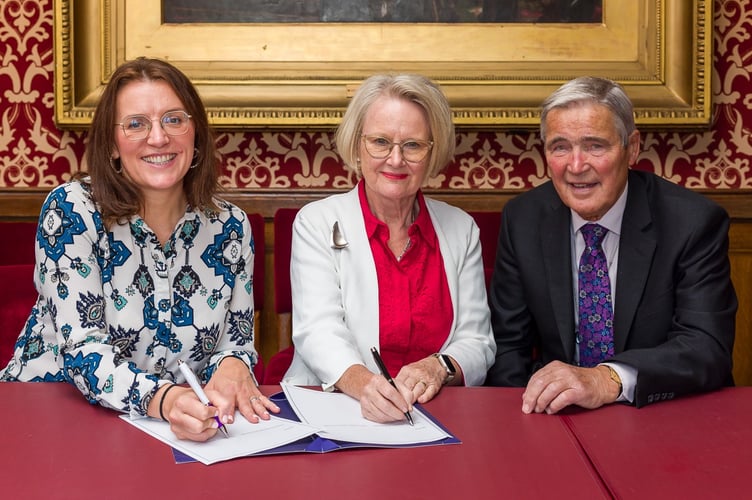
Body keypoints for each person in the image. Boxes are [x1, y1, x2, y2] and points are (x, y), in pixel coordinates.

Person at [0, 57, 278, 440]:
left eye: (174, 119)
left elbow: (238, 341)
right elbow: (83, 351)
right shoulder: (73, 211)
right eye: (135, 124)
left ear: (195, 133)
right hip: (49, 415)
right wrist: (165, 401)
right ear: (112, 146)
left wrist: (233, 364)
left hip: (166, 431)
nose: (159, 138)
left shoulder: (229, 227)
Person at [485, 76, 737, 413]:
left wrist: (607, 380)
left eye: (594, 146)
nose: (576, 166)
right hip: (561, 417)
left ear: (631, 148)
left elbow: (706, 345)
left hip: (662, 414)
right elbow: (508, 348)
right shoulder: (524, 219)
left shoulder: (692, 223)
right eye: (560, 146)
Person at [283, 74, 495, 423]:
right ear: (357, 146)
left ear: (432, 151)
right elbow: (318, 331)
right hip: (338, 411)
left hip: (439, 416)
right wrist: (366, 385)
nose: (395, 160)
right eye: (380, 142)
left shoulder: (461, 229)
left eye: (412, 145)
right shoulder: (317, 222)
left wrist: (438, 366)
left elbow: (477, 341)